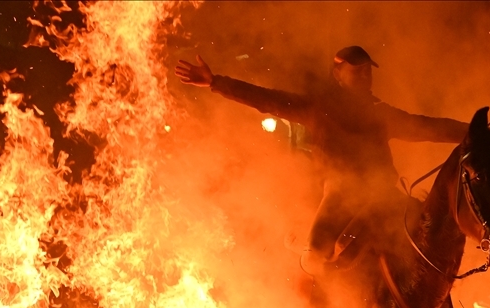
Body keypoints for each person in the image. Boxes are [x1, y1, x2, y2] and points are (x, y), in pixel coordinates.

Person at [174, 46, 469, 275]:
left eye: (368, 71)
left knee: (431, 241)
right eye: (358, 71)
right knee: (316, 254)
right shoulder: (318, 108)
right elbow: (267, 99)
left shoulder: (380, 112)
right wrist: (215, 82)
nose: (365, 77)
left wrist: (476, 131)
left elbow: (426, 127)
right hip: (339, 195)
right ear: (338, 75)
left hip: (383, 196)